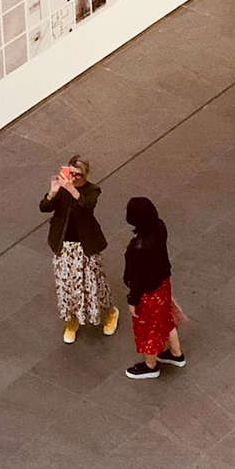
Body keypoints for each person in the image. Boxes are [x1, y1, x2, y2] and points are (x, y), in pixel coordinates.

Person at [39, 155, 117, 343]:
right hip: (64, 245)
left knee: (94, 283)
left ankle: (109, 313)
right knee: (67, 285)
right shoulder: (63, 190)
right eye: (71, 174)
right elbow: (44, 207)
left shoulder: (92, 190)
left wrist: (72, 189)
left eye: (78, 175)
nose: (73, 178)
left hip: (85, 246)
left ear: (85, 175)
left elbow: (86, 207)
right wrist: (53, 192)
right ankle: (72, 319)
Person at [122, 196, 185, 379]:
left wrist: (132, 300)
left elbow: (138, 279)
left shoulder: (140, 247)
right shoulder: (160, 226)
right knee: (165, 319)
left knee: (148, 329)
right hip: (163, 283)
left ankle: (150, 366)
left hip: (148, 293)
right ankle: (176, 354)